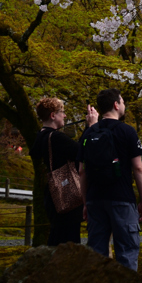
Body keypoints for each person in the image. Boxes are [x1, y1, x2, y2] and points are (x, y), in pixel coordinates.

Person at [80, 88, 142, 270]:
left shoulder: (88, 133)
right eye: (123, 102)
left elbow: (82, 172)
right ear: (116, 105)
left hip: (95, 198)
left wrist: (86, 203)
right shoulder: (127, 132)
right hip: (122, 198)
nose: (124, 105)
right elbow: (138, 168)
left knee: (96, 253)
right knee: (126, 251)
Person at [30, 97, 97, 245]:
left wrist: (87, 127)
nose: (65, 116)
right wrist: (91, 127)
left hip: (53, 194)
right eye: (62, 112)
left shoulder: (41, 136)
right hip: (67, 194)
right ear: (53, 115)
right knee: (69, 238)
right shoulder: (56, 138)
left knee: (57, 236)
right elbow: (81, 152)